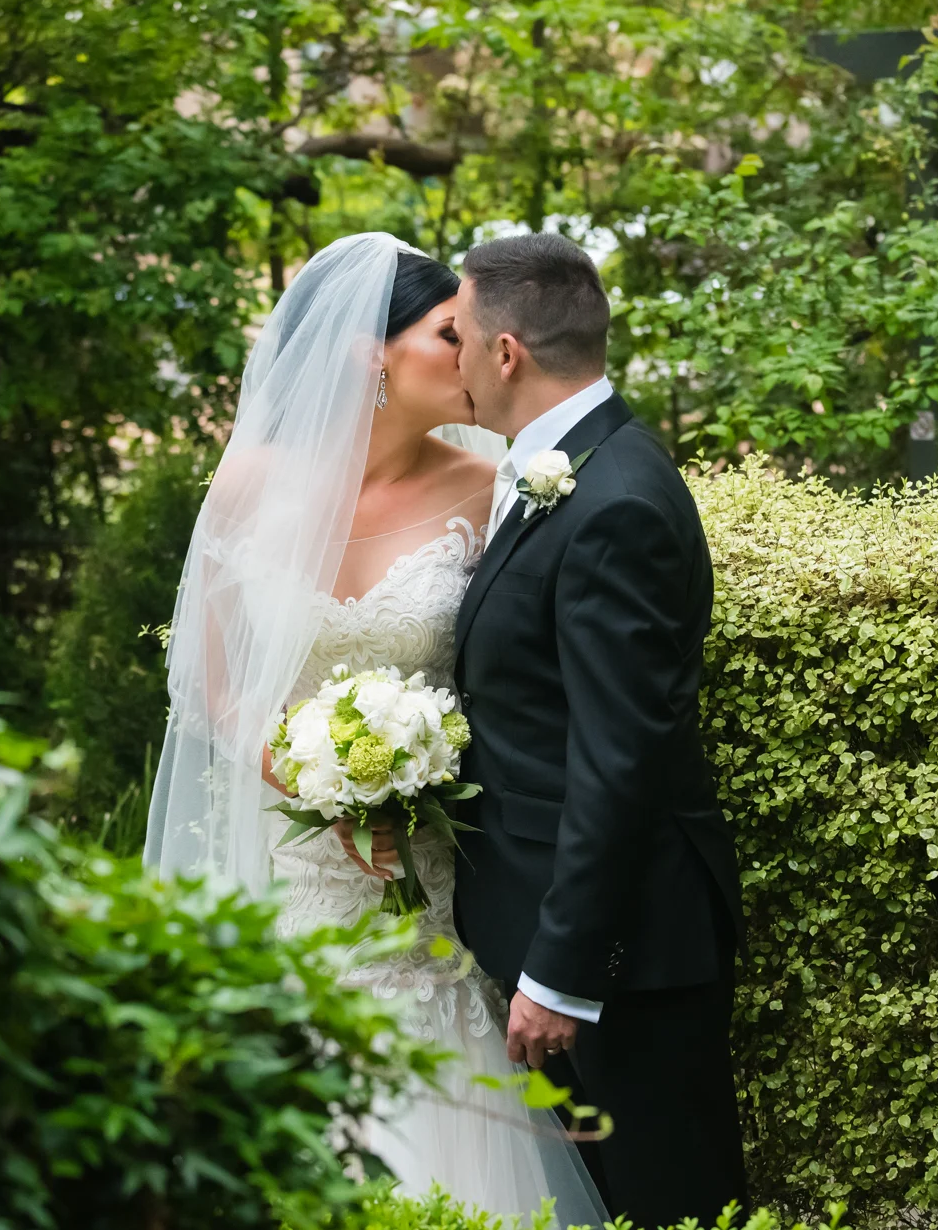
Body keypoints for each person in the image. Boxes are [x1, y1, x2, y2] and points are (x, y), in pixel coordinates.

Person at [143, 231, 605, 1226]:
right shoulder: (251, 482)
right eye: (448, 332)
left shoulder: (490, 487)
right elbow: (213, 682)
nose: (475, 348)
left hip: (431, 884)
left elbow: (520, 686)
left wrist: (413, 785)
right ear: (372, 356)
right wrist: (316, 785)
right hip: (298, 875)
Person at [449, 233, 748, 1227]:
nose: (453, 357)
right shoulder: (567, 466)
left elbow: (620, 763)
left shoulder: (615, 499)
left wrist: (562, 976)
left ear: (505, 354)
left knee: (666, 1207)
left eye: (460, 336)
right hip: (572, 937)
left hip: (625, 957)